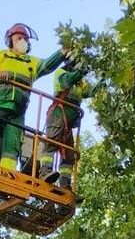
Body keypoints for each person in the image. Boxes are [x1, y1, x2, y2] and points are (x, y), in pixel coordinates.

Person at [0, 23, 66, 180]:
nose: (23, 40)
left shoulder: (31, 63)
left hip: (17, 113)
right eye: (19, 37)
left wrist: (62, 53)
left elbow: (47, 65)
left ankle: (6, 177)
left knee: (13, 146)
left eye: (25, 38)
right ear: (10, 40)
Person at [37, 57, 98, 190]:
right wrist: (81, 72)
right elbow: (66, 82)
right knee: (52, 142)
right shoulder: (61, 73)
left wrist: (102, 84)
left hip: (68, 125)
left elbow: (90, 91)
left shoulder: (80, 83)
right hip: (58, 115)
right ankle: (45, 172)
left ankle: (65, 183)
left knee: (69, 155)